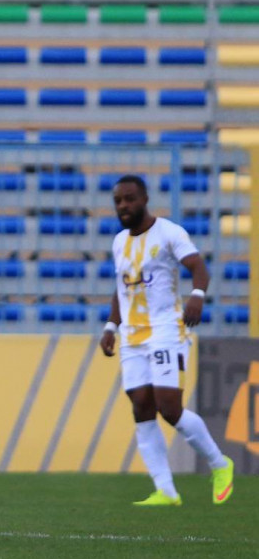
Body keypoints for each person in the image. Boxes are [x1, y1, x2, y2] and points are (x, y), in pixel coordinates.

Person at [99, 174, 233, 506]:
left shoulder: (169, 232)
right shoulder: (119, 242)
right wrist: (111, 327)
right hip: (131, 336)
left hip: (166, 330)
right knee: (141, 406)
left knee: (169, 408)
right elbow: (122, 289)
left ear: (144, 199)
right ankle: (166, 490)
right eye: (118, 201)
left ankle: (220, 464)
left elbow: (199, 267)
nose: (124, 206)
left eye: (129, 199)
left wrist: (197, 295)